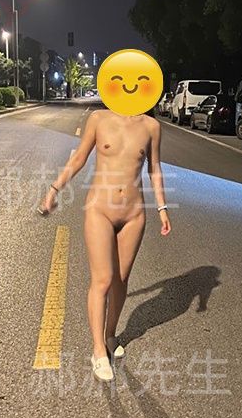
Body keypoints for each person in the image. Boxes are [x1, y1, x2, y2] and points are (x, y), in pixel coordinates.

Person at [39, 109, 171, 381]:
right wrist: (54, 190)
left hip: (134, 214)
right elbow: (79, 157)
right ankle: (98, 350)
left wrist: (162, 208)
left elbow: (154, 169)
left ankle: (110, 335)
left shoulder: (151, 126)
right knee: (102, 279)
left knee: (120, 279)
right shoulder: (99, 119)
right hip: (100, 209)